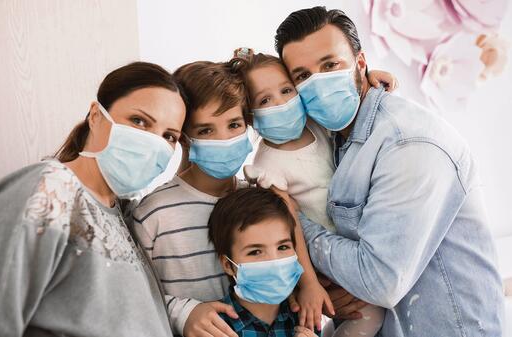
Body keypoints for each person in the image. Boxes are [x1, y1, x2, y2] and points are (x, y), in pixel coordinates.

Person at [275, 6, 504, 336]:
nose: (319, 84)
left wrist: (294, 223)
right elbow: (259, 91)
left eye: (330, 65)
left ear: (360, 62)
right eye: (303, 76)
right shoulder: (333, 136)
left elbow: (379, 281)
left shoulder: (408, 144)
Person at [0, 62, 185, 337]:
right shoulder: (50, 190)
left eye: (169, 136)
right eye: (139, 121)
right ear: (96, 116)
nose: (155, 143)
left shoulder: (124, 215)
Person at [132, 60, 333, 337]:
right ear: (184, 137)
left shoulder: (261, 199)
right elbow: (133, 300)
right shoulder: (154, 213)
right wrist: (184, 313)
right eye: (205, 130)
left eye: (234, 124)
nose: (224, 139)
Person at [230, 47, 397, 336]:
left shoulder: (317, 124)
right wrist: (309, 282)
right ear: (251, 116)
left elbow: (341, 100)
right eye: (265, 100)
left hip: (358, 241)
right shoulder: (267, 165)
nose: (281, 103)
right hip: (323, 258)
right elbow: (290, 223)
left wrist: (369, 77)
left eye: (286, 91)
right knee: (366, 315)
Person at [208, 186, 319, 337]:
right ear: (228, 265)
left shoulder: (306, 317)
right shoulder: (213, 327)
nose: (275, 261)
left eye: (283, 247)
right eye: (255, 252)